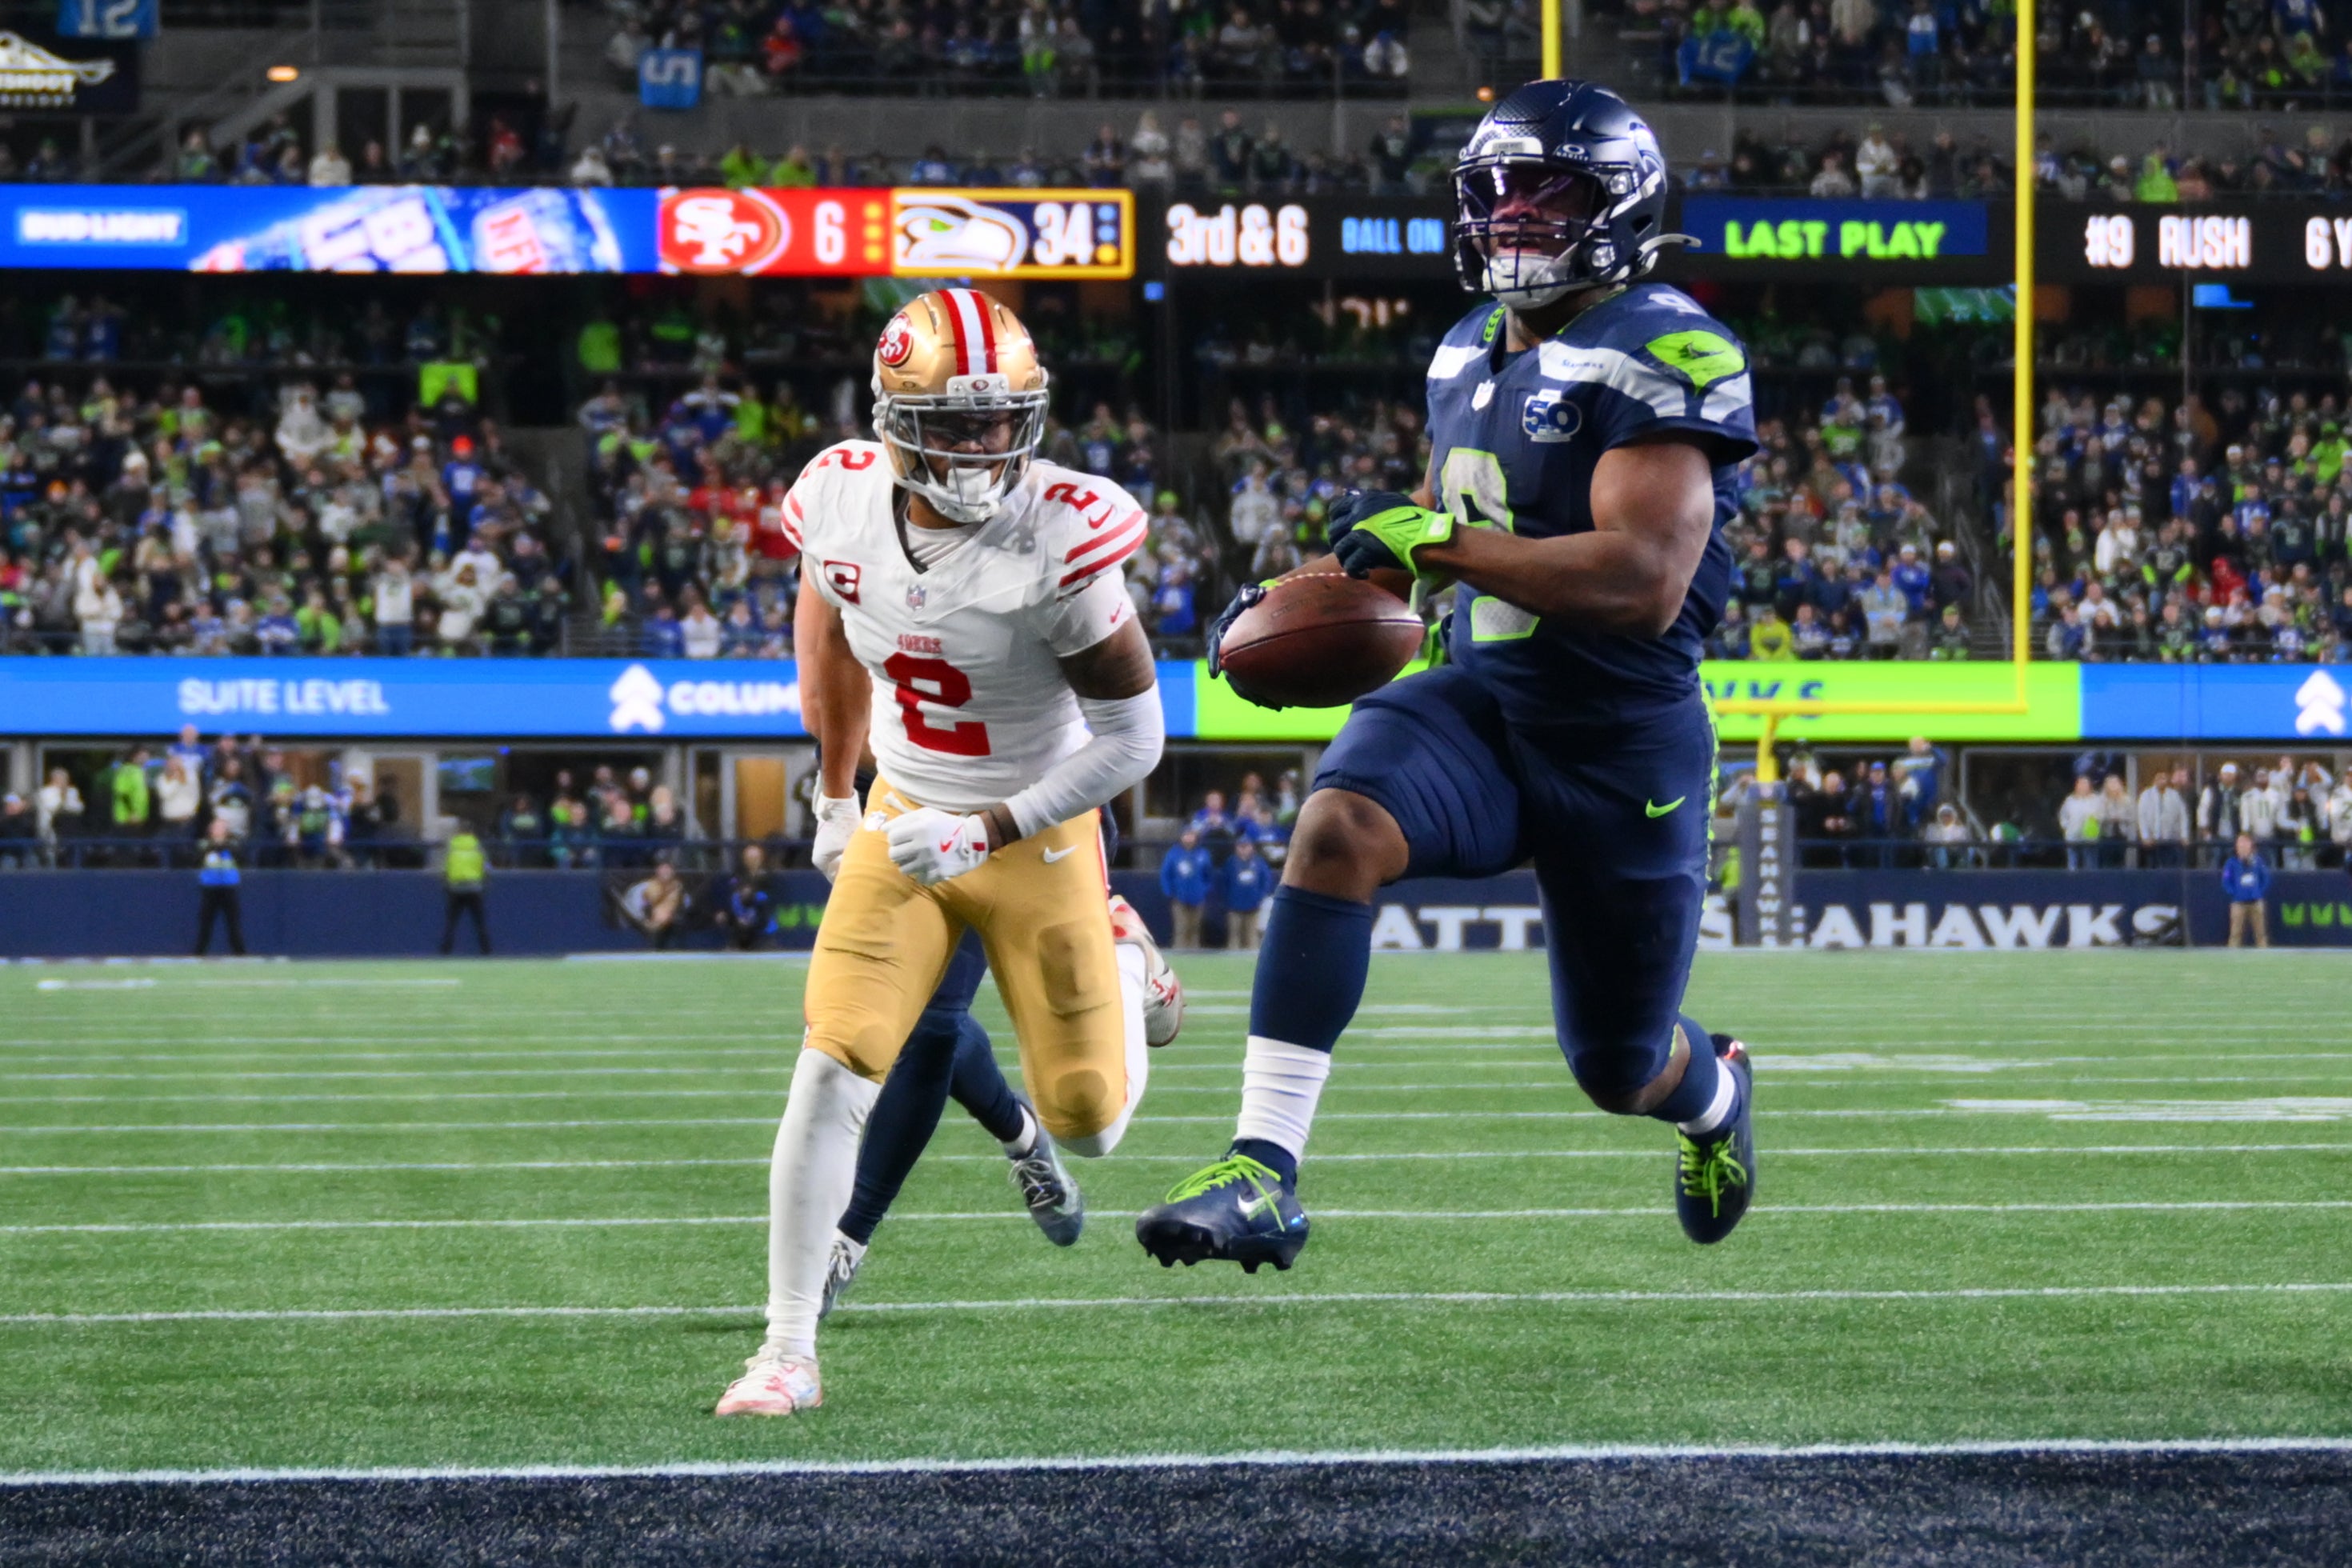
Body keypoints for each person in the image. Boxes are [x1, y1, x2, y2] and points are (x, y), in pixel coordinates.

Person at [1138, 81, 1758, 1274]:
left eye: (1551, 193)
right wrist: (1305, 589)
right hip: (1482, 700)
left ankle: (1715, 1097)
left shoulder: (1668, 347)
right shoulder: (1467, 347)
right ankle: (1262, 1169)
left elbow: (1641, 582)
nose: (1518, 218)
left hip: (1619, 741)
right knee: (1336, 824)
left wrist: (1434, 545)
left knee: (1619, 1066)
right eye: (1499, 193)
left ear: (1621, 206)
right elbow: (1433, 527)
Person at [717, 291, 1178, 1419]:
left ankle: (1125, 961)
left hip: (1036, 827)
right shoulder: (839, 500)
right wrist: (834, 793)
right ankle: (786, 1349)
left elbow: (1136, 738)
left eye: (997, 420)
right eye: (953, 421)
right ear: (893, 417)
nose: (979, 446)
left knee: (1090, 1120)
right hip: (906, 809)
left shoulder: (1064, 535)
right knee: (835, 1061)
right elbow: (825, 623)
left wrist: (992, 827)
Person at [709, 842, 776, 950]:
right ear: (744, 860)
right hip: (739, 924)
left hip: (761, 925)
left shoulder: (768, 879)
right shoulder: (737, 878)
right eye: (749, 858)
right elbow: (732, 899)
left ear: (761, 859)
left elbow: (767, 903)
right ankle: (735, 944)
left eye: (755, 858)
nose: (752, 861)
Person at [194, 820, 246, 956]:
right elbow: (197, 857)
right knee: (205, 925)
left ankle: (240, 955)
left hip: (229, 888)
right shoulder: (204, 844)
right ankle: (199, 954)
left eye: (221, 828)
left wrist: (223, 845)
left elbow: (241, 857)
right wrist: (213, 847)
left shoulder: (233, 844)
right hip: (210, 888)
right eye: (215, 827)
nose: (218, 831)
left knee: (233, 925)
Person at [439, 824, 490, 954]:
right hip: (474, 888)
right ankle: (486, 950)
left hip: (455, 888)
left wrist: (446, 884)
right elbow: (486, 867)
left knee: (451, 922)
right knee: (479, 922)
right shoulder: (477, 846)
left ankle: (446, 950)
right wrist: (483, 884)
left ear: (459, 832)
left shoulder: (451, 846)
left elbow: (444, 867)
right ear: (471, 832)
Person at [1159, 826, 1214, 947]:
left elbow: (1208, 875)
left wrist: (1203, 890)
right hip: (1179, 897)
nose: (1189, 838)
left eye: (1191, 835)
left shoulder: (1203, 854)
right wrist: (1170, 892)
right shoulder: (1173, 854)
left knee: (1195, 929)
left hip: (1198, 898)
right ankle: (1179, 954)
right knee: (1181, 928)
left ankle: (1195, 955)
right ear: (1181, 837)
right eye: (1186, 835)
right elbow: (1165, 875)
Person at [624, 858, 689, 949]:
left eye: (668, 870)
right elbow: (643, 905)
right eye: (663, 869)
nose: (665, 872)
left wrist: (671, 916)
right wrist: (649, 918)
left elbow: (683, 904)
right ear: (657, 871)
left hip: (673, 921)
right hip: (653, 921)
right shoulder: (648, 886)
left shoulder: (678, 886)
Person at [1222, 834, 1272, 948]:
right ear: (1236, 848)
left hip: (1254, 906)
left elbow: (1266, 881)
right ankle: (1232, 962)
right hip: (1234, 905)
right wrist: (1228, 900)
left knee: (1252, 936)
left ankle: (1252, 963)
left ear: (1252, 847)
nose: (1243, 849)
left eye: (1246, 846)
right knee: (1234, 936)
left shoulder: (1259, 862)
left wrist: (1260, 897)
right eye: (1241, 846)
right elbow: (1224, 883)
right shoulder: (1231, 862)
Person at [2222, 831, 2270, 947]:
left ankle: (2264, 958)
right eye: (2240, 842)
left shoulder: (2258, 862)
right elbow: (2226, 881)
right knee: (2235, 934)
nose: (2243, 845)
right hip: (2238, 903)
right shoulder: (2231, 863)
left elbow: (2266, 878)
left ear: (2251, 845)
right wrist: (2235, 893)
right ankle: (2233, 959)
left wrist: (2258, 892)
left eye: (2245, 842)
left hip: (2256, 902)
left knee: (2261, 934)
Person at [2137, 766, 2190, 870]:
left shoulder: (2174, 795)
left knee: (2170, 867)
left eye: (2164, 778)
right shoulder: (2146, 795)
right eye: (2159, 778)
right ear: (2154, 780)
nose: (2162, 781)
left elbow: (2183, 816)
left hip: (2170, 839)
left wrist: (2184, 836)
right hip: (2153, 840)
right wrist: (2145, 836)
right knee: (2153, 867)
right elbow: (2142, 817)